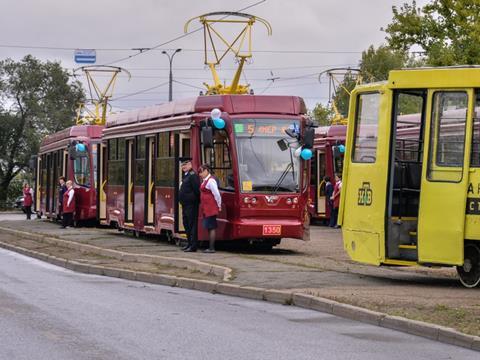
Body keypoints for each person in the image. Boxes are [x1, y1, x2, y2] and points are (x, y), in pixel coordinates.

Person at [198, 164, 222, 253]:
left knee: (211, 227)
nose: (200, 174)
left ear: (206, 171)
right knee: (209, 227)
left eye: (201, 172)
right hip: (206, 207)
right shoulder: (205, 180)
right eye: (199, 173)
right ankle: (210, 247)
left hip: (211, 207)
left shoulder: (211, 181)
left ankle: (211, 248)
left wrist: (219, 205)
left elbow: (217, 194)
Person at [179, 159, 200, 252]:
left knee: (192, 225)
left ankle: (193, 245)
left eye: (185, 165)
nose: (183, 167)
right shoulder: (186, 175)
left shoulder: (193, 176)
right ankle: (189, 243)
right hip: (185, 204)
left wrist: (194, 201)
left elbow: (197, 190)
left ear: (190, 165)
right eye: (182, 165)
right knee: (186, 223)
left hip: (191, 205)